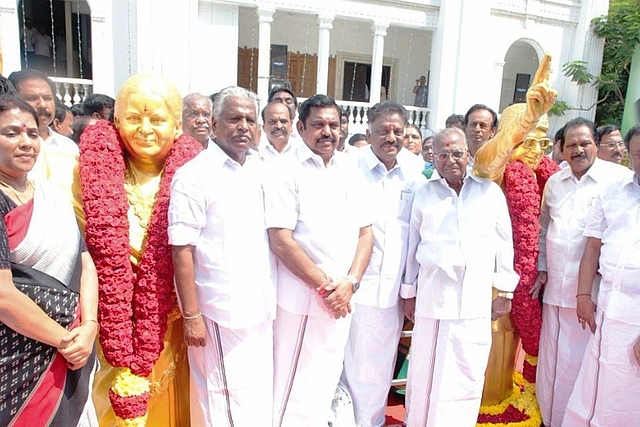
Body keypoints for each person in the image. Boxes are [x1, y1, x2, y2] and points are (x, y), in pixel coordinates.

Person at [77, 74, 202, 426]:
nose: (145, 129)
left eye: (157, 119)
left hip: (175, 319)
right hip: (112, 317)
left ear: (177, 127)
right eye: (134, 118)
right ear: (116, 122)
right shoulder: (87, 174)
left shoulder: (197, 176)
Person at [264, 94, 374, 426]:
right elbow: (281, 240)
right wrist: (329, 289)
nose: (327, 132)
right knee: (292, 389)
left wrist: (351, 284)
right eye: (317, 125)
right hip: (305, 302)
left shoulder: (349, 168)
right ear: (300, 128)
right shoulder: (284, 170)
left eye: (333, 124)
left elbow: (366, 233)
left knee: (324, 385)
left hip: (341, 301)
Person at [169, 86, 276, 426]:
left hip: (259, 309)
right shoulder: (194, 175)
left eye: (249, 119)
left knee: (254, 401)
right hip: (220, 312)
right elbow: (181, 248)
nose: (243, 126)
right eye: (234, 119)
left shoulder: (260, 170)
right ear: (214, 124)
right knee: (223, 404)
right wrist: (191, 315)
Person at [402, 127, 519, 426]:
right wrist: (408, 292)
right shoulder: (423, 194)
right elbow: (411, 245)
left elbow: (504, 243)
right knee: (425, 373)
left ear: (468, 154)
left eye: (457, 153)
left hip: (474, 302)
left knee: (466, 372)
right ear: (434, 157)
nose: (450, 160)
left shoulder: (489, 192)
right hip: (432, 299)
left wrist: (505, 292)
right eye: (443, 154)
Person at [0, 94, 98, 426]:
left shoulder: (52, 197)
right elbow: (3, 296)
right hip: (19, 359)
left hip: (74, 352)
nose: (26, 142)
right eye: (11, 133)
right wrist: (65, 340)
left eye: (31, 133)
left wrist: (89, 328)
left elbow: (85, 264)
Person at [533, 117, 632, 427]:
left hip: (591, 296)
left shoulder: (618, 181)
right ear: (561, 149)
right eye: (571, 144)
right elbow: (543, 228)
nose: (578, 150)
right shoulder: (555, 182)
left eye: (585, 143)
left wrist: (588, 293)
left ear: (596, 145)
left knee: (581, 366)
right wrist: (542, 267)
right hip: (555, 291)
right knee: (551, 364)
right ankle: (549, 420)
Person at [473, 54, 560, 398]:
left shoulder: (548, 179)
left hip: (530, 284)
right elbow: (485, 160)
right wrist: (528, 116)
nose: (537, 150)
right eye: (529, 140)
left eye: (544, 141)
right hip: (489, 285)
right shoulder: (495, 173)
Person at [341, 101, 423, 427]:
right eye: (383, 131)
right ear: (369, 132)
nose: (391, 137)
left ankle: (368, 423)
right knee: (344, 364)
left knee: (377, 368)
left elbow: (418, 232)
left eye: (397, 131)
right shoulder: (349, 167)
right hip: (351, 285)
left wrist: (411, 287)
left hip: (392, 290)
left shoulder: (417, 171)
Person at [562, 123, 640, 426]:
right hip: (607, 306)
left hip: (636, 319)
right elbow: (592, 247)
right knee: (594, 390)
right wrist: (583, 295)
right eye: (638, 153)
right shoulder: (613, 192)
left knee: (627, 397)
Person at [9, 69, 78, 193]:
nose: (42, 105)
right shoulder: (8, 146)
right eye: (31, 98)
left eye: (47, 98)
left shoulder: (69, 147)